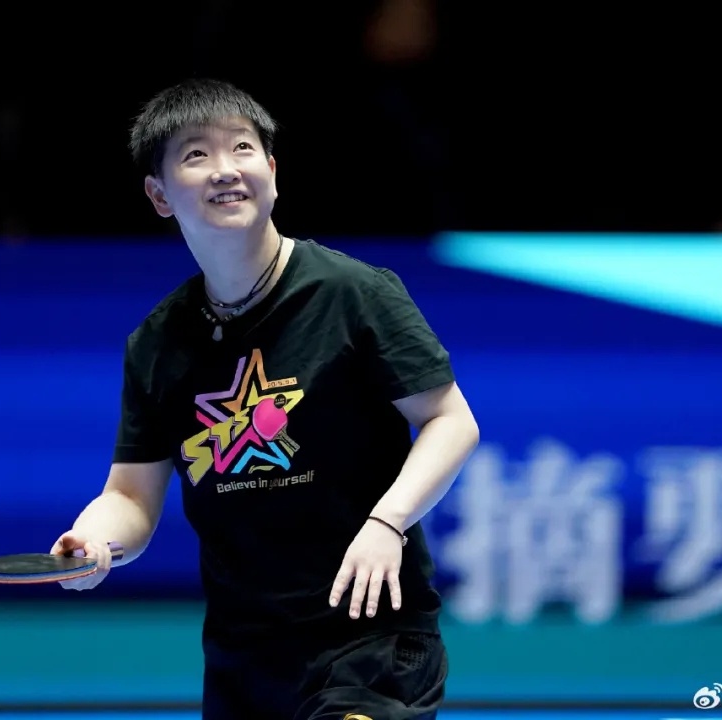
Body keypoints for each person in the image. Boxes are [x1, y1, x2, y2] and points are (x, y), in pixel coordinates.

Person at [49, 77, 480, 720]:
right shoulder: (157, 344)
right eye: (196, 155)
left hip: (370, 638)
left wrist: (387, 522)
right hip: (245, 659)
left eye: (243, 148)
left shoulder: (354, 293)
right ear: (159, 195)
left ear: (272, 174)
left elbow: (450, 420)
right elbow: (131, 497)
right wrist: (94, 543)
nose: (225, 169)